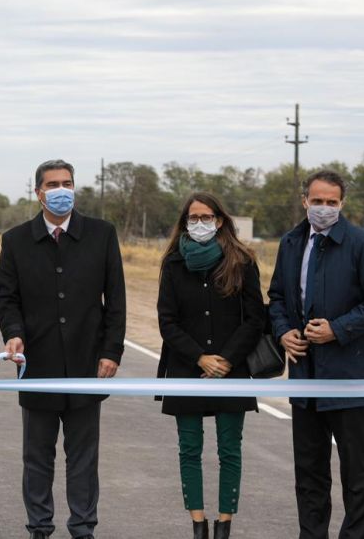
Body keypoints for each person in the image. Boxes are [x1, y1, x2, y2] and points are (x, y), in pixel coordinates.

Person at [0, 159, 126, 539]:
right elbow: (7, 299)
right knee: (37, 457)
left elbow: (115, 299)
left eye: (67, 182)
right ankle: (39, 526)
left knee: (83, 458)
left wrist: (111, 351)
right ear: (38, 192)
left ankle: (83, 526)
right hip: (37, 366)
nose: (61, 190)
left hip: (88, 364)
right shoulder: (16, 240)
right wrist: (13, 333)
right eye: (52, 184)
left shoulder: (101, 234)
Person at [269, 170, 364, 539]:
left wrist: (337, 330)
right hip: (306, 376)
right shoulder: (291, 242)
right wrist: (283, 331)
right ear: (304, 200)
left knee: (356, 471)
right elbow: (277, 296)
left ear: (342, 204)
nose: (324, 208)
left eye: (332, 202)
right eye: (318, 201)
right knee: (309, 470)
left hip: (350, 375)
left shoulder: (361, 242)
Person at [156, 192, 265, 539]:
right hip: (187, 368)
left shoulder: (243, 261)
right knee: (189, 449)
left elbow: (254, 319)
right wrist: (199, 357)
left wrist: (227, 360)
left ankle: (224, 524)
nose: (199, 223)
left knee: (230, 450)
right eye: (193, 217)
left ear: (220, 221)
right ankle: (198, 524)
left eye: (206, 217)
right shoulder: (173, 264)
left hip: (232, 370)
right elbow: (167, 320)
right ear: (185, 222)